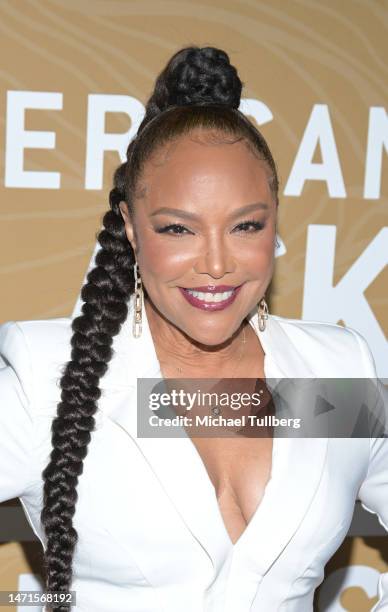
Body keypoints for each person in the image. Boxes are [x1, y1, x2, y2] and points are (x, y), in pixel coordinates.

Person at [0, 45, 387, 612]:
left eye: (246, 226)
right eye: (179, 229)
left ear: (275, 220)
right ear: (131, 229)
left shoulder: (333, 372)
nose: (216, 263)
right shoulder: (49, 376)